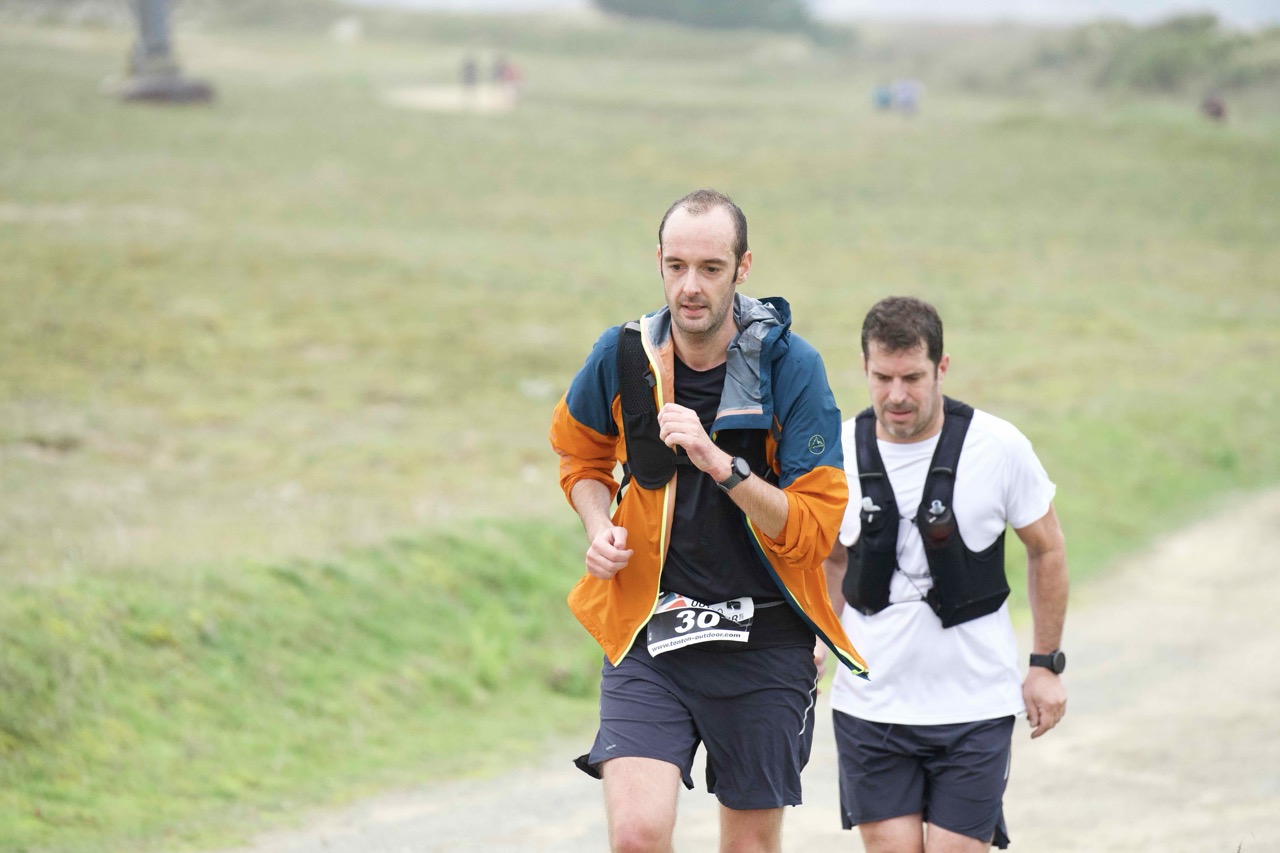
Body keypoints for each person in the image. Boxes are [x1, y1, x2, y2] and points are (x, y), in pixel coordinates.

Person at [549, 189, 868, 853]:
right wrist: (597, 525)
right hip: (652, 629)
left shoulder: (792, 367)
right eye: (676, 266)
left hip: (766, 638)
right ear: (659, 263)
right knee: (636, 836)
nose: (690, 286)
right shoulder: (623, 355)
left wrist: (721, 464)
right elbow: (581, 456)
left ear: (743, 267)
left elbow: (814, 527)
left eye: (710, 268)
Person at [822, 296, 1069, 852]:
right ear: (864, 368)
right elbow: (832, 559)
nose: (897, 395)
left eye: (913, 377)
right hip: (870, 705)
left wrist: (1045, 664)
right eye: (882, 378)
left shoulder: (999, 447)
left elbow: (1048, 548)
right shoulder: (836, 452)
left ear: (942, 368)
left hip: (975, 705)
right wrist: (818, 640)